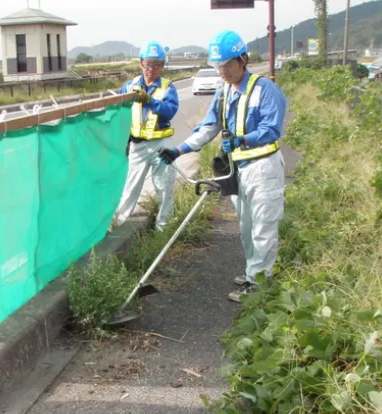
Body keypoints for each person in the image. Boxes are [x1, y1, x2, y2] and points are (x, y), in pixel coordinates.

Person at [158, 30, 287, 302]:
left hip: (264, 168)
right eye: (219, 66)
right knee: (246, 226)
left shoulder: (265, 89)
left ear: (243, 59)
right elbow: (208, 128)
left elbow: (271, 129)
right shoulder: (224, 93)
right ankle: (255, 272)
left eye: (227, 64)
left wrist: (242, 139)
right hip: (237, 170)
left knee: (264, 226)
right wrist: (179, 150)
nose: (223, 71)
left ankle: (259, 284)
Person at [113, 41, 180, 231]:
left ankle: (164, 227)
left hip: (161, 144)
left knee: (164, 187)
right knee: (130, 186)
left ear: (163, 66)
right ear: (141, 63)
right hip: (137, 145)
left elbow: (169, 112)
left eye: (157, 64)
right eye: (148, 63)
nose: (152, 68)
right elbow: (119, 112)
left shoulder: (168, 88)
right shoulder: (129, 86)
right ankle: (119, 224)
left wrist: (149, 101)